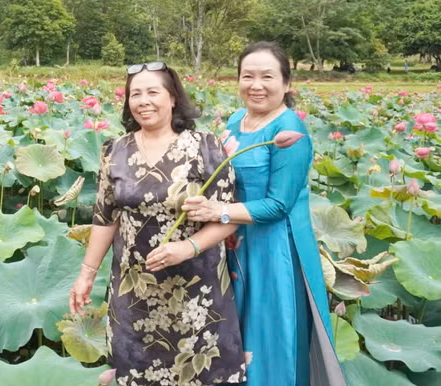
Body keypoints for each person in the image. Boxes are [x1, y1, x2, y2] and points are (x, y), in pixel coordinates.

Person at [70, 62, 247, 386]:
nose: (143, 101)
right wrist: (86, 275)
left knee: (200, 375)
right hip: (134, 291)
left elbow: (229, 216)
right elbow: (104, 217)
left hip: (197, 292)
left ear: (173, 98)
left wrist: (187, 247)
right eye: (135, 94)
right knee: (137, 375)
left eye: (153, 92)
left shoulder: (205, 146)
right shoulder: (115, 151)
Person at [183, 42, 344, 385]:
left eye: (267, 76)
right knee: (232, 336)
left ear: (286, 83)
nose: (256, 85)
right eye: (247, 76)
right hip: (235, 244)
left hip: (275, 252)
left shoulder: (291, 132)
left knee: (271, 345)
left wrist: (219, 211)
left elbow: (278, 206)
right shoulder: (237, 120)